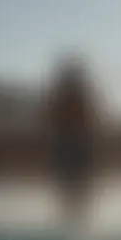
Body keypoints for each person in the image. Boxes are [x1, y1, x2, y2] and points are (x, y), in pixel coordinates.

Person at [43, 55, 98, 228]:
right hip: (68, 139)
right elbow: (54, 115)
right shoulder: (65, 94)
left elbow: (87, 115)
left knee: (77, 177)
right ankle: (71, 213)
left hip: (75, 140)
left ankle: (75, 213)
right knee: (70, 178)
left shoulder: (77, 93)